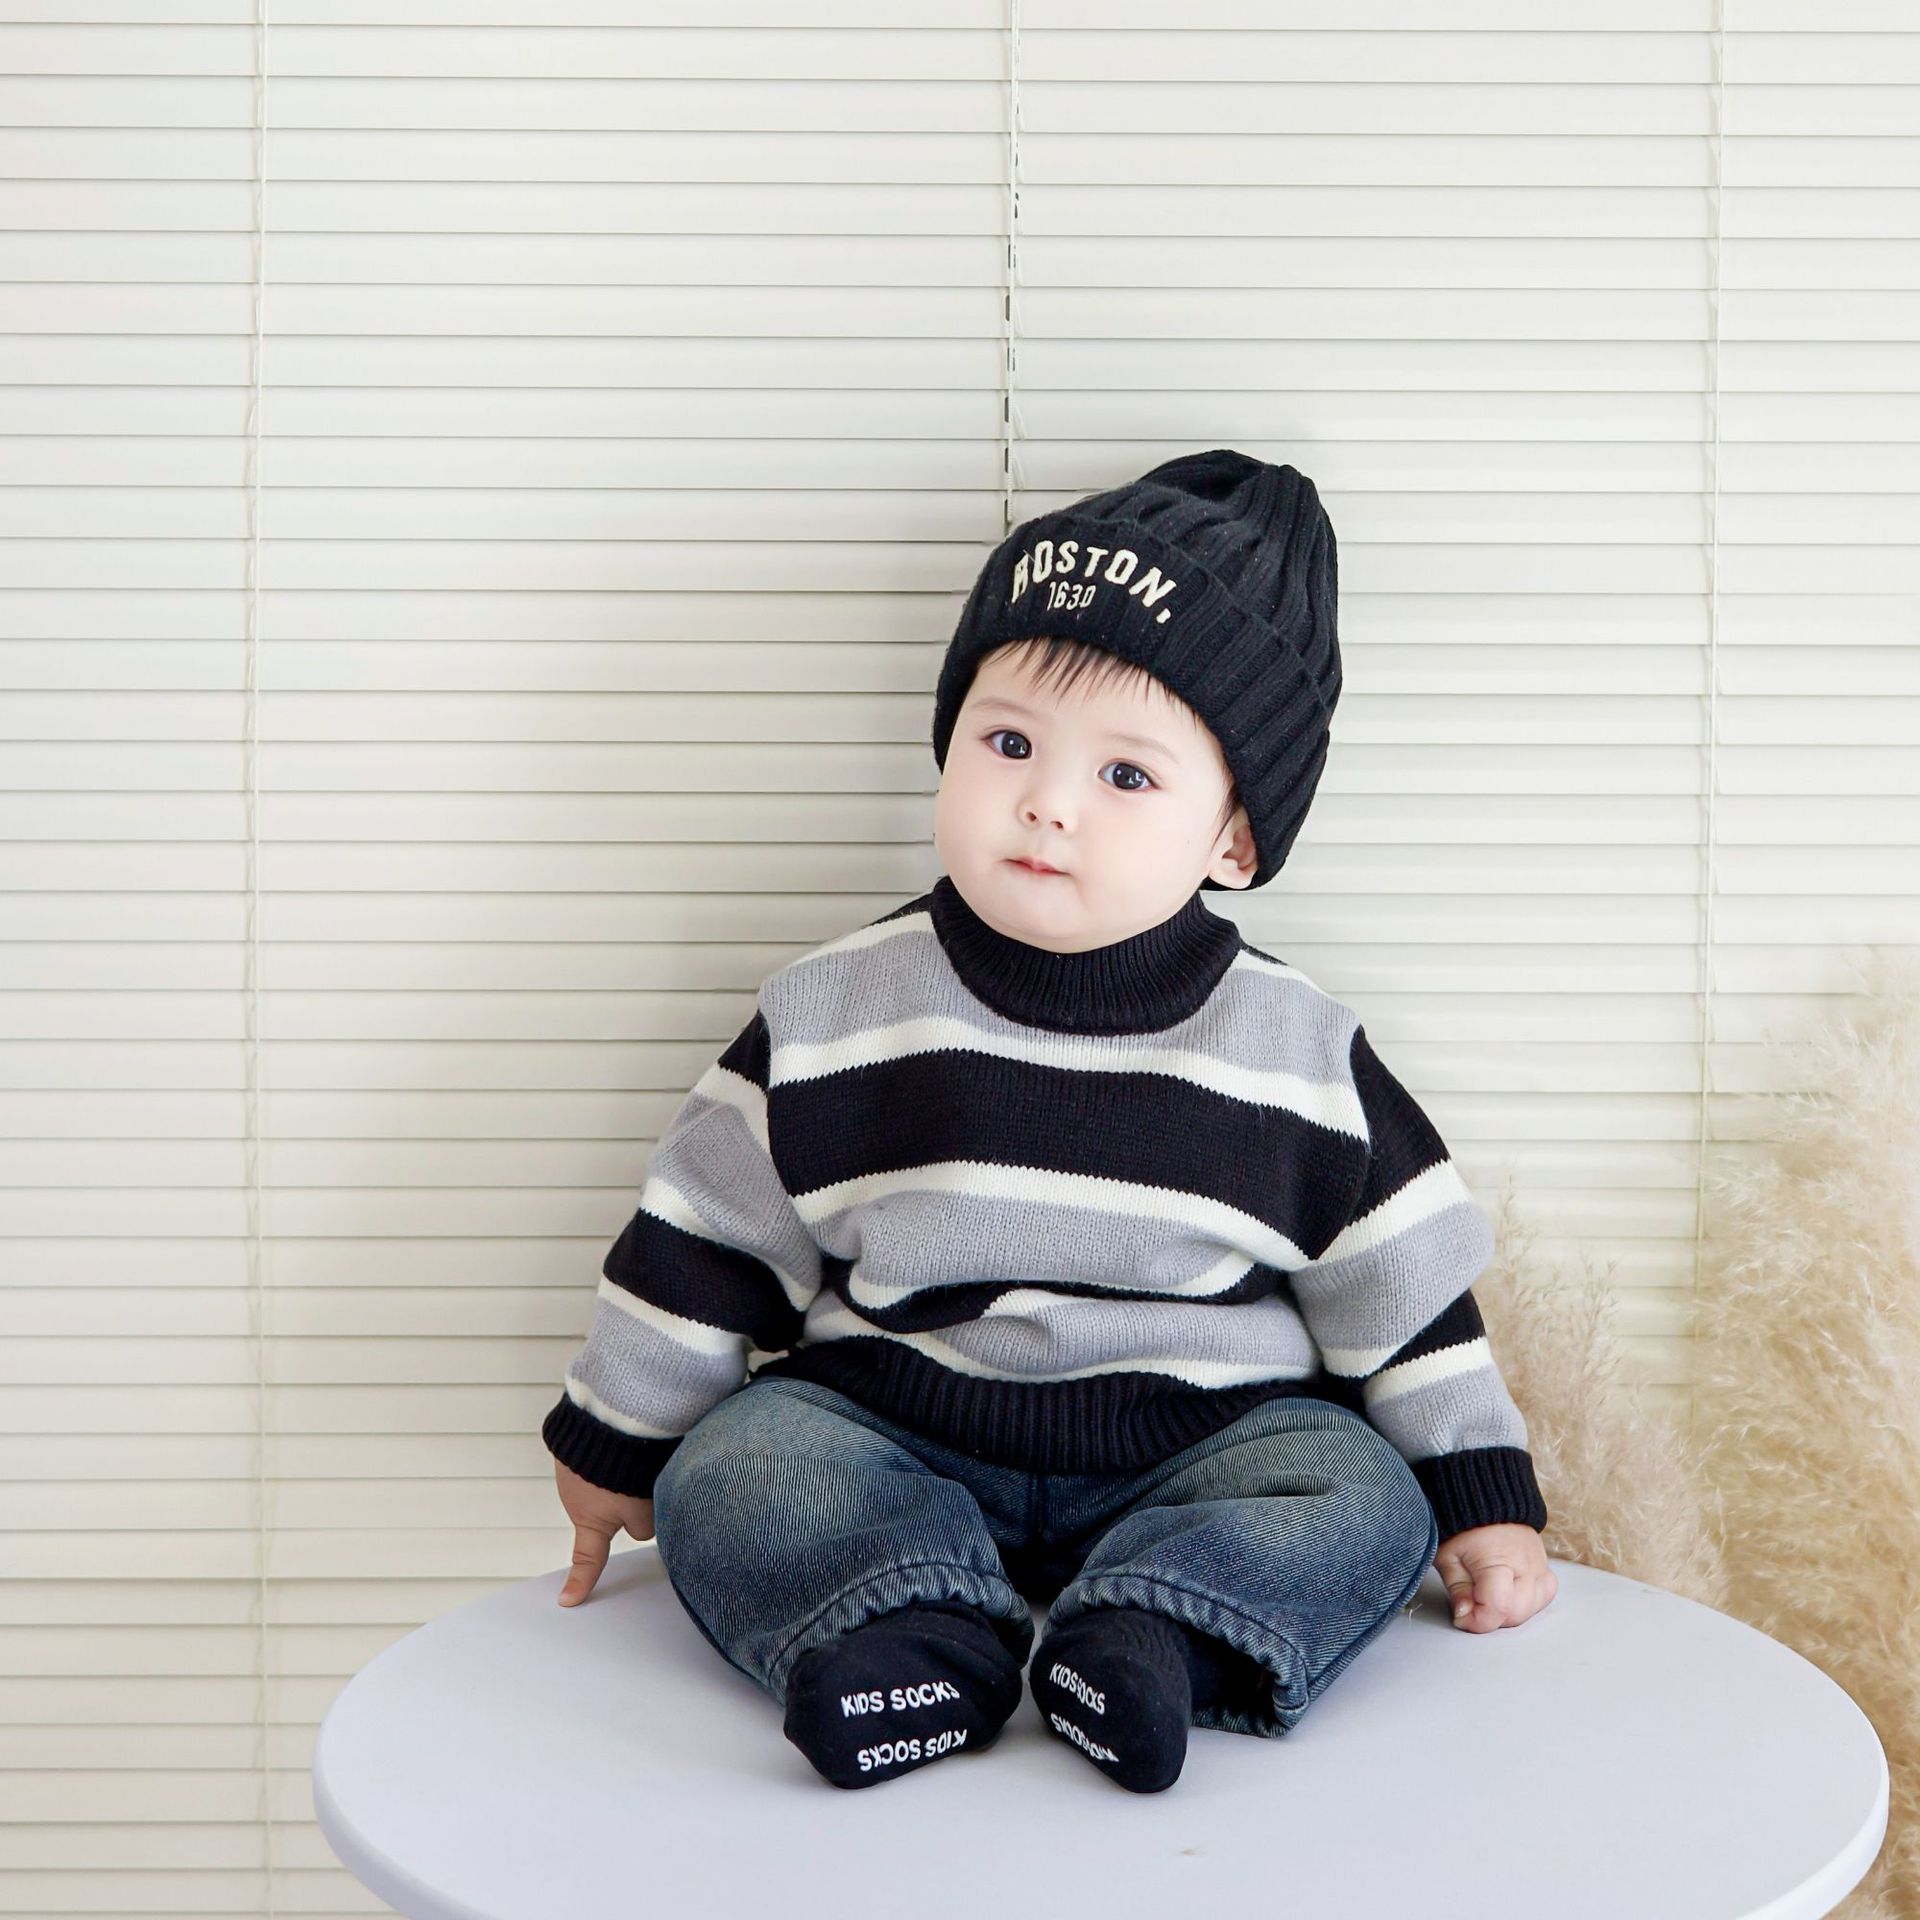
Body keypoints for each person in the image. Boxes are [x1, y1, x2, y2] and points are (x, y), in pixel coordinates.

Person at [544, 449, 1557, 1795]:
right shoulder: (840, 1008)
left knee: (1362, 1500)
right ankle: (915, 1636)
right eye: (1008, 741)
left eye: (1127, 777)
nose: (1048, 800)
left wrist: (1483, 1501)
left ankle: (1149, 1643)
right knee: (730, 1472)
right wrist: (619, 1446)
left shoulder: (1297, 1051)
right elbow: (706, 1239)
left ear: (1233, 841)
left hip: (1204, 1444)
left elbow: (1406, 1295)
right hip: (895, 1431)